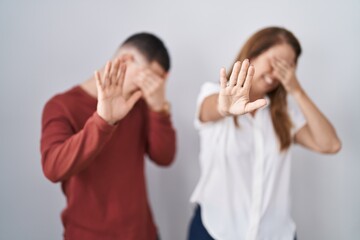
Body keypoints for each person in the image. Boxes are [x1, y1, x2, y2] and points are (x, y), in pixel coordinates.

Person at [188, 27, 341, 240]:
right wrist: (225, 108)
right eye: (274, 62)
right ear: (252, 56)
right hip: (217, 230)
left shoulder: (284, 115)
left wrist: (296, 90)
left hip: (275, 233)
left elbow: (330, 145)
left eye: (286, 68)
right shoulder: (213, 94)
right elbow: (210, 109)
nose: (275, 74)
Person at [40, 33, 176, 240]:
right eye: (147, 80)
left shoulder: (140, 104)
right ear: (125, 60)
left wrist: (158, 109)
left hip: (144, 233)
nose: (147, 91)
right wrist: (103, 121)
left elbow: (164, 157)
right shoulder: (62, 106)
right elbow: (53, 168)